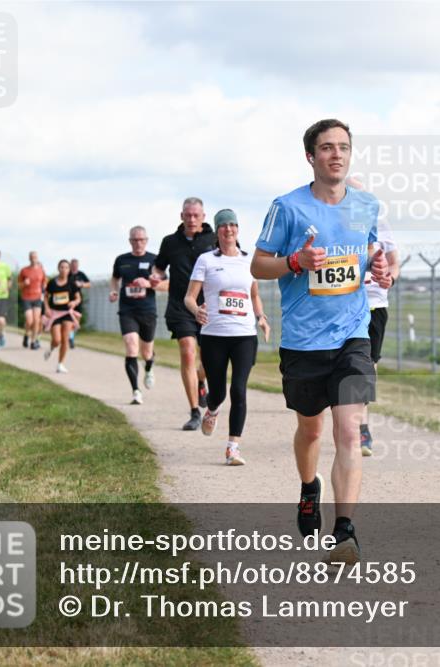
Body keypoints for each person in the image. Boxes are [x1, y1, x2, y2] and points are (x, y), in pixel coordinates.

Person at [252, 119, 390, 564]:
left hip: (352, 333)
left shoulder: (366, 204)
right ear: (310, 156)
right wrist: (295, 261)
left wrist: (380, 268)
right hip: (303, 340)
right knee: (310, 429)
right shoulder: (287, 207)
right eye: (327, 147)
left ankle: (344, 530)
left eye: (343, 147)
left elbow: (370, 251)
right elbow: (259, 265)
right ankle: (309, 487)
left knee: (349, 430)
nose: (336, 154)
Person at [186, 209, 271, 466]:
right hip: (214, 335)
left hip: (244, 335)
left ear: (238, 229)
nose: (228, 229)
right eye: (223, 225)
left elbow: (254, 295)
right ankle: (211, 410)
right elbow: (189, 297)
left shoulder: (248, 261)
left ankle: (232, 448)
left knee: (239, 389)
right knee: (219, 392)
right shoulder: (206, 260)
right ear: (217, 230)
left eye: (232, 224)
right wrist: (196, 310)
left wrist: (261, 317)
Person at [149, 197, 217, 430]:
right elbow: (159, 267)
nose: (191, 219)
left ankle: (201, 380)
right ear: (181, 216)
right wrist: (156, 276)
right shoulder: (170, 242)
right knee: (188, 352)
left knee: (209, 359)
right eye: (188, 215)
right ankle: (194, 412)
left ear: (203, 217)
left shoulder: (214, 239)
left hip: (209, 307)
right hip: (181, 307)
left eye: (196, 215)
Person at [359, 210, 400, 456]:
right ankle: (356, 424)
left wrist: (390, 279)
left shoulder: (381, 224)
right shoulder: (337, 220)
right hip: (345, 305)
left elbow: (394, 263)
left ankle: (360, 426)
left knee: (368, 368)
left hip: (375, 306)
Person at [110, 226, 162, 405]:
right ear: (130, 241)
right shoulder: (121, 260)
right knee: (131, 346)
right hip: (127, 310)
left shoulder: (154, 260)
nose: (138, 243)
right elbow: (115, 278)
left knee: (146, 352)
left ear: (146, 240)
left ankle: (148, 367)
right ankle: (136, 391)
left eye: (141, 240)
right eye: (135, 240)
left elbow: (165, 283)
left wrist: (149, 283)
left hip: (147, 310)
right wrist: (113, 291)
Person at [43, 259, 81, 373]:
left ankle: (60, 364)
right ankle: (51, 348)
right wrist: (47, 308)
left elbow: (78, 298)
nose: (64, 269)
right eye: (62, 267)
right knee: (56, 340)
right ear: (58, 268)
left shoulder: (72, 283)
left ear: (69, 270)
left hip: (67, 313)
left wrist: (74, 302)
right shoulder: (52, 283)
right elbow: (46, 297)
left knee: (65, 339)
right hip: (55, 313)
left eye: (66, 267)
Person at [18, 252, 46, 350]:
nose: (34, 259)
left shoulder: (41, 271)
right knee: (29, 321)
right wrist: (24, 283)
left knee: (37, 320)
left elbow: (44, 283)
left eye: (35, 257)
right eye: (32, 257)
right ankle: (26, 335)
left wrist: (44, 289)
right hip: (26, 298)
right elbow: (19, 286)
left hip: (37, 298)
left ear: (37, 258)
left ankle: (33, 342)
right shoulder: (24, 270)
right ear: (29, 258)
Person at [68, 259, 91, 349]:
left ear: (78, 266)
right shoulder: (67, 274)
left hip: (78, 299)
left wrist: (81, 284)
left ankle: (71, 336)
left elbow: (89, 284)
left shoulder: (81, 274)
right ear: (70, 265)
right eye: (73, 265)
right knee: (69, 319)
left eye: (76, 265)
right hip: (68, 300)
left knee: (76, 321)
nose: (74, 266)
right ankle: (70, 338)